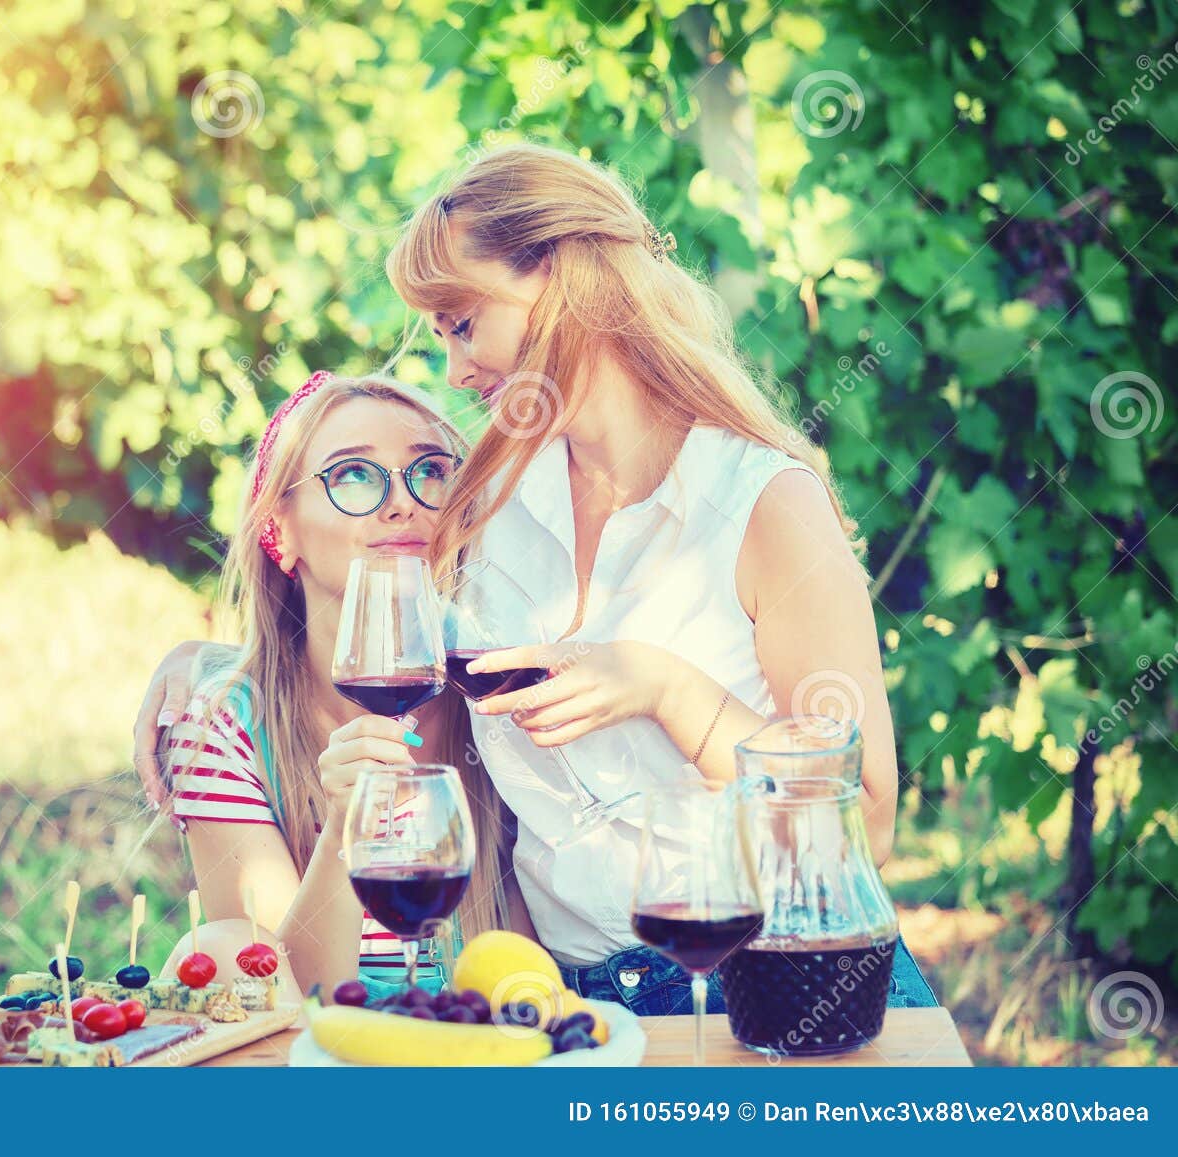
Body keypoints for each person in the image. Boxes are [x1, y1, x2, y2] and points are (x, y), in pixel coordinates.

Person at [140, 143, 937, 1015]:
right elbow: (366, 617)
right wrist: (196, 660)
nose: (453, 370)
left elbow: (868, 824)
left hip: (776, 981)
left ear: (560, 281)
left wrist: (668, 690)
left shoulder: (763, 503)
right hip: (573, 1007)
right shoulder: (489, 506)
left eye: (462, 322)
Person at [154, 370, 529, 1001]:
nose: (402, 503)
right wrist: (342, 827)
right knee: (219, 949)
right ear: (279, 527)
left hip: (477, 1040)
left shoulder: (497, 693)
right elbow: (282, 989)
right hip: (318, 1054)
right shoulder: (225, 724)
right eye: (353, 474)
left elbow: (520, 971)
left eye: (431, 471)